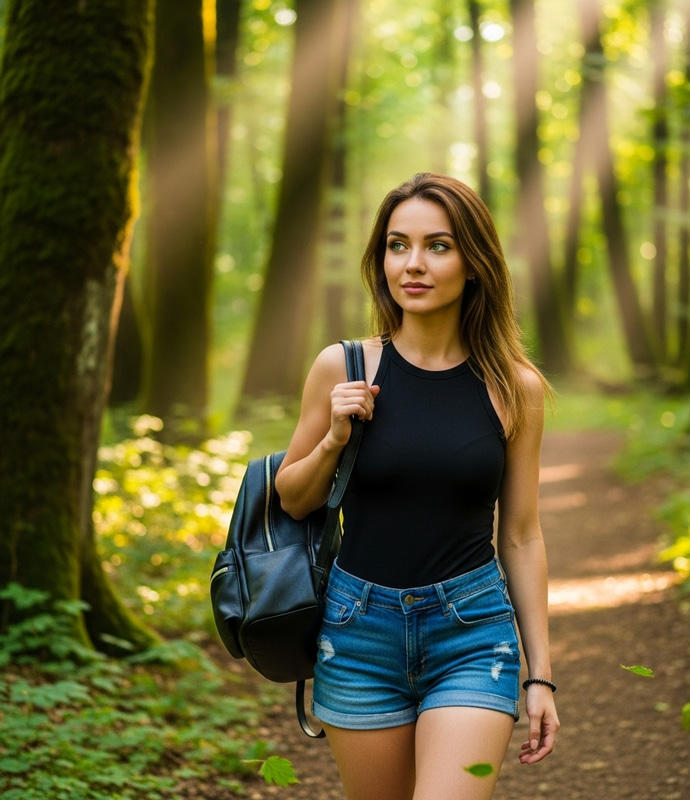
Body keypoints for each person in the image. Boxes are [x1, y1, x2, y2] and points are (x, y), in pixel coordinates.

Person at [275, 173, 559, 799]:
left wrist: (541, 675)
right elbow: (292, 498)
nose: (413, 264)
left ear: (475, 262)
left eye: (438, 245)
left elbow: (520, 534)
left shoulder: (516, 388)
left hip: (472, 628)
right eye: (397, 245)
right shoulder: (343, 366)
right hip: (358, 630)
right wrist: (334, 440)